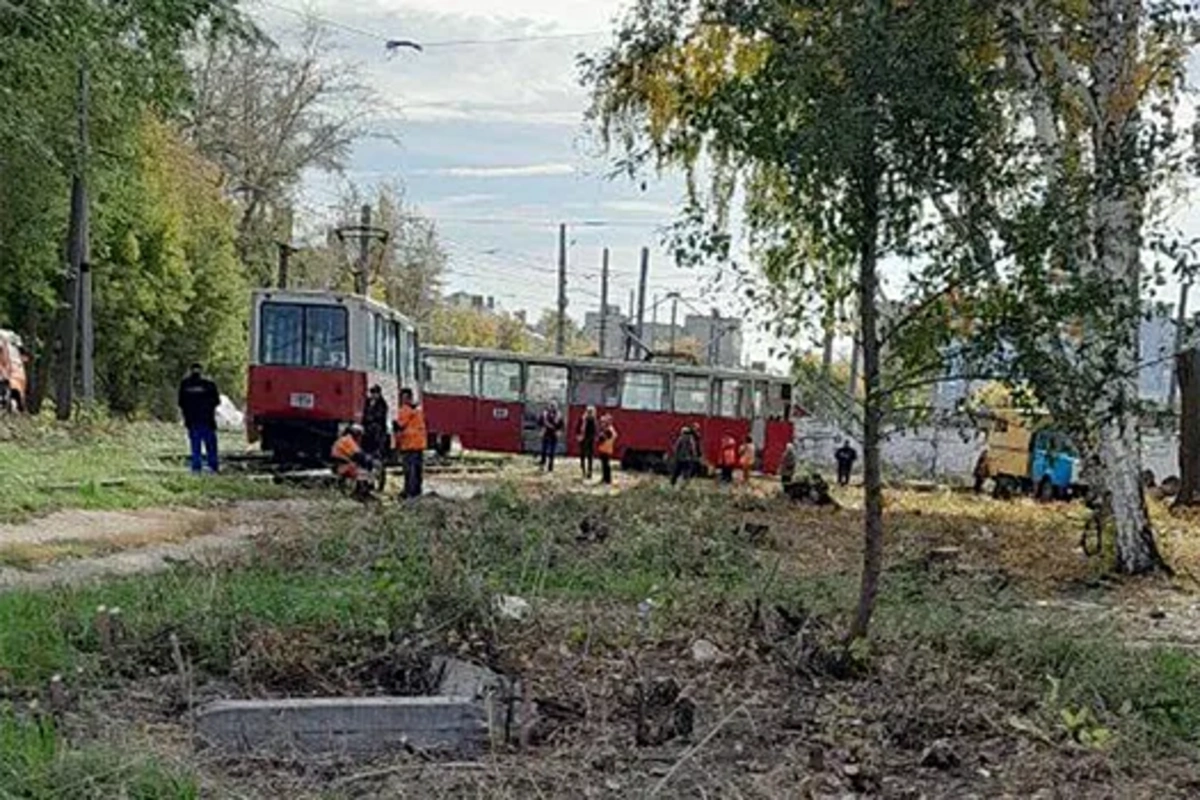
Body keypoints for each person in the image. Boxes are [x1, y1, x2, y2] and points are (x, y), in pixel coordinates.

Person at [178, 363, 220, 474]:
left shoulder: (185, 385)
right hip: (207, 420)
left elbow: (181, 403)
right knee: (211, 445)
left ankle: (196, 468)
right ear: (202, 371)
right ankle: (213, 466)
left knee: (195, 446)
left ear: (190, 370)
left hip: (192, 420)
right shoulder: (209, 384)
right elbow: (216, 401)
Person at [395, 388, 427, 499]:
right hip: (419, 444)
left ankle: (409, 492)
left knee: (409, 470)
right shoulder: (418, 410)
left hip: (409, 444)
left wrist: (396, 443)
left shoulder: (404, 410)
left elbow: (400, 425)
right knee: (417, 470)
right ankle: (417, 492)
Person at [331, 424, 373, 500]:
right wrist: (369, 461)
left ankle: (361, 491)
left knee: (359, 467)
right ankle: (360, 493)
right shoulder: (349, 440)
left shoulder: (344, 439)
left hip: (338, 464)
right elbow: (359, 454)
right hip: (342, 466)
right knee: (362, 471)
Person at [362, 385, 390, 461]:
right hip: (368, 429)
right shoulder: (368, 402)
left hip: (378, 429)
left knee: (378, 446)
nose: (373, 395)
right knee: (369, 446)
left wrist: (370, 418)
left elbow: (380, 415)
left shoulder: (382, 403)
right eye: (372, 393)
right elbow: (364, 413)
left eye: (375, 393)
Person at [539, 400, 563, 472]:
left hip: (553, 434)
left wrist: (559, 431)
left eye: (554, 406)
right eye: (551, 405)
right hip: (546, 433)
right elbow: (540, 422)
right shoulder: (545, 414)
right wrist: (542, 428)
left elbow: (561, 425)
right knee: (544, 450)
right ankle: (542, 464)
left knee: (552, 452)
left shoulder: (559, 415)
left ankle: (550, 466)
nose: (552, 407)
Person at [597, 414, 618, 485]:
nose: (602, 423)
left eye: (604, 421)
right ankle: (604, 478)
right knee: (604, 465)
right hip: (604, 449)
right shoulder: (606, 429)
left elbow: (610, 437)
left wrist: (602, 437)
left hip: (606, 449)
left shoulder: (609, 429)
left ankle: (608, 480)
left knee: (606, 465)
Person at [577, 406, 597, 480]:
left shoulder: (593, 420)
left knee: (590, 456)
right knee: (582, 454)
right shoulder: (582, 419)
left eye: (591, 412)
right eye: (589, 412)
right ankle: (583, 469)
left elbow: (595, 430)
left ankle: (589, 471)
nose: (590, 413)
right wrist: (578, 436)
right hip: (583, 439)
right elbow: (578, 428)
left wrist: (594, 437)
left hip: (590, 440)